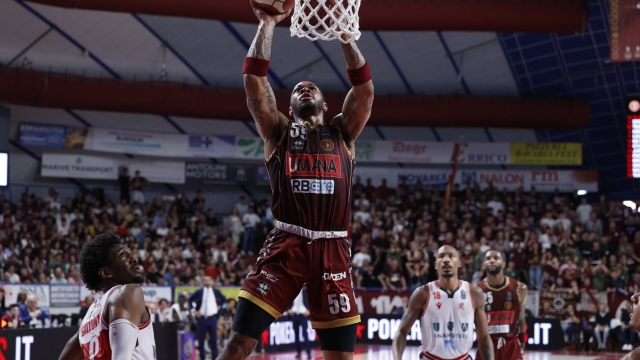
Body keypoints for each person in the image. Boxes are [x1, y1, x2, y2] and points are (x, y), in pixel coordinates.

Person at [220, 1, 374, 359]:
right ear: (288, 107)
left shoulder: (343, 133)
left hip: (333, 248)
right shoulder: (278, 131)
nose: (305, 89)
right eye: (298, 90)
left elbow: (365, 93)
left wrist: (346, 37)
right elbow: (253, 81)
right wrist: (269, 24)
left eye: (311, 88)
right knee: (240, 342)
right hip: (286, 243)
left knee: (340, 356)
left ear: (325, 102)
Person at [58, 232, 155, 360]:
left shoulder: (89, 316)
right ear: (106, 272)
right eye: (123, 255)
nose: (134, 259)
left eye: (131, 254)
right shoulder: (129, 292)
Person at [392, 245, 494, 360]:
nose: (446, 260)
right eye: (441, 257)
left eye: (451, 256)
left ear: (459, 263)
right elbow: (401, 332)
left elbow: (484, 337)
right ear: (436, 265)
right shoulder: (422, 293)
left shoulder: (474, 293)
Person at [476, 251, 527, 360]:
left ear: (504, 264)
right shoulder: (476, 290)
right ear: (484, 264)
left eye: (496, 258)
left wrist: (522, 345)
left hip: (511, 347)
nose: (492, 260)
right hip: (486, 347)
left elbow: (521, 319)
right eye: (488, 258)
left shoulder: (519, 288)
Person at [189, 275, 225, 360]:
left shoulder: (216, 292)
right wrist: (194, 310)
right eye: (205, 280)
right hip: (202, 318)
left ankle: (214, 357)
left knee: (213, 339)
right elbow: (190, 300)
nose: (207, 282)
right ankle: (202, 357)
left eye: (209, 280)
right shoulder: (199, 292)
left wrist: (220, 306)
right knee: (201, 339)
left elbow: (224, 300)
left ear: (212, 282)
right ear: (203, 282)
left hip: (213, 318)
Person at [288, 288, 311, 359]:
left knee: (305, 333)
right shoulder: (293, 290)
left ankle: (308, 352)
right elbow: (287, 300)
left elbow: (312, 300)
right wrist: (288, 310)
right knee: (296, 334)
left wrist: (309, 311)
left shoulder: (306, 291)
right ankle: (298, 352)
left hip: (303, 314)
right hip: (294, 314)